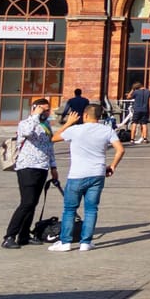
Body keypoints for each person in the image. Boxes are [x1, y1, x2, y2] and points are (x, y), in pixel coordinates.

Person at [48, 104, 125, 251]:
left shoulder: (75, 130)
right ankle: (86, 242)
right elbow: (120, 149)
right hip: (97, 174)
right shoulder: (107, 130)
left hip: (77, 174)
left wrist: (69, 122)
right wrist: (113, 166)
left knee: (69, 209)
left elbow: (54, 138)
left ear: (85, 115)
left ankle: (65, 242)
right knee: (91, 209)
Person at [3, 97, 56, 248]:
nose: (46, 112)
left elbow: (49, 145)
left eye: (47, 110)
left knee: (33, 203)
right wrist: (35, 116)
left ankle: (24, 235)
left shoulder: (46, 125)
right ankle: (9, 236)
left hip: (42, 167)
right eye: (43, 109)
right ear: (35, 108)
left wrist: (53, 166)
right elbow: (26, 132)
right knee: (26, 203)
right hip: (27, 167)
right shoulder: (25, 123)